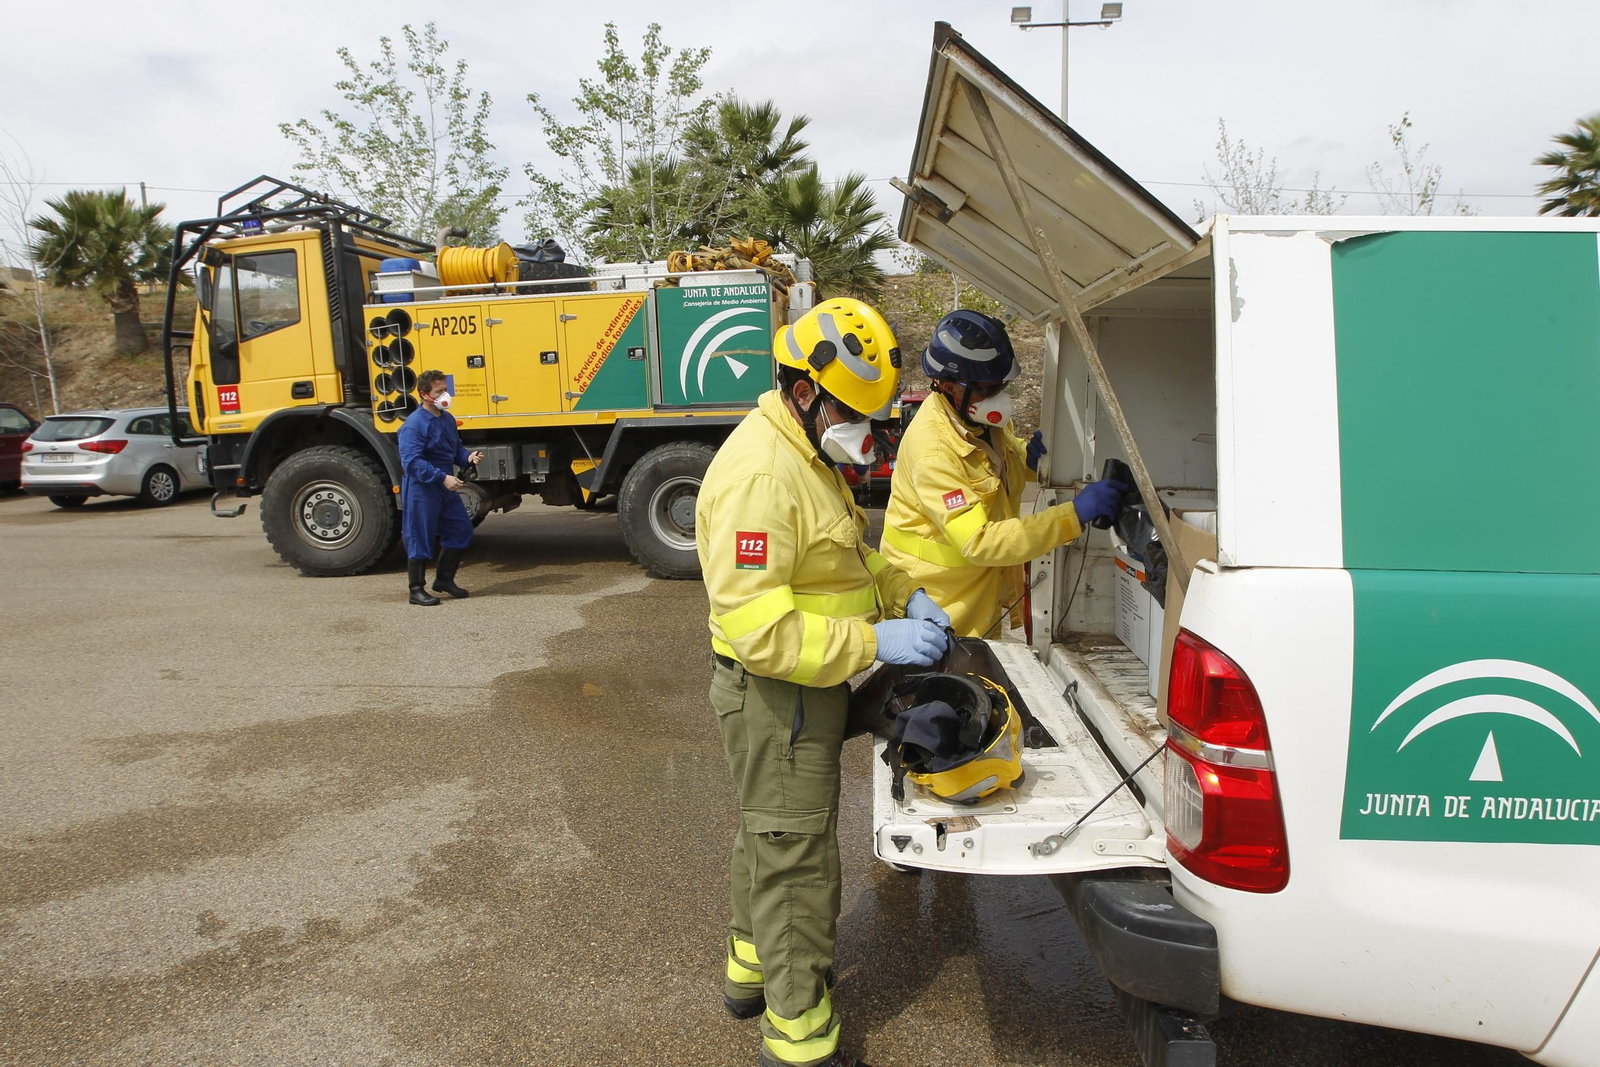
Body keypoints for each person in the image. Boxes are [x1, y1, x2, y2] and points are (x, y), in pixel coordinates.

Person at [696, 298, 952, 1067]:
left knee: (768, 828)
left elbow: (844, 556)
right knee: (798, 854)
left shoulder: (805, 455)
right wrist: (879, 639)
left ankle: (752, 967)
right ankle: (799, 1030)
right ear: (806, 390)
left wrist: (903, 589)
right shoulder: (761, 476)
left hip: (809, 683)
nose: (868, 436)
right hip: (777, 690)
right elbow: (762, 631)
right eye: (855, 412)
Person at [881, 310, 1127, 637]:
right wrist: (1073, 515)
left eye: (1001, 386)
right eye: (986, 388)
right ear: (949, 386)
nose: (996, 397)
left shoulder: (982, 422)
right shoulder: (934, 452)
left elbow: (1001, 462)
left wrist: (1030, 460)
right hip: (937, 612)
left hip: (975, 600)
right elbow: (979, 541)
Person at [398, 370, 484, 606]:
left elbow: (455, 450)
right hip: (423, 489)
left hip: (445, 487)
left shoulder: (446, 419)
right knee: (419, 536)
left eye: (445, 389)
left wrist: (468, 457)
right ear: (424, 394)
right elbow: (412, 462)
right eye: (439, 391)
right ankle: (416, 590)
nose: (445, 395)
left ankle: (444, 580)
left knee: (461, 529)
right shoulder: (414, 425)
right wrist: (442, 478)